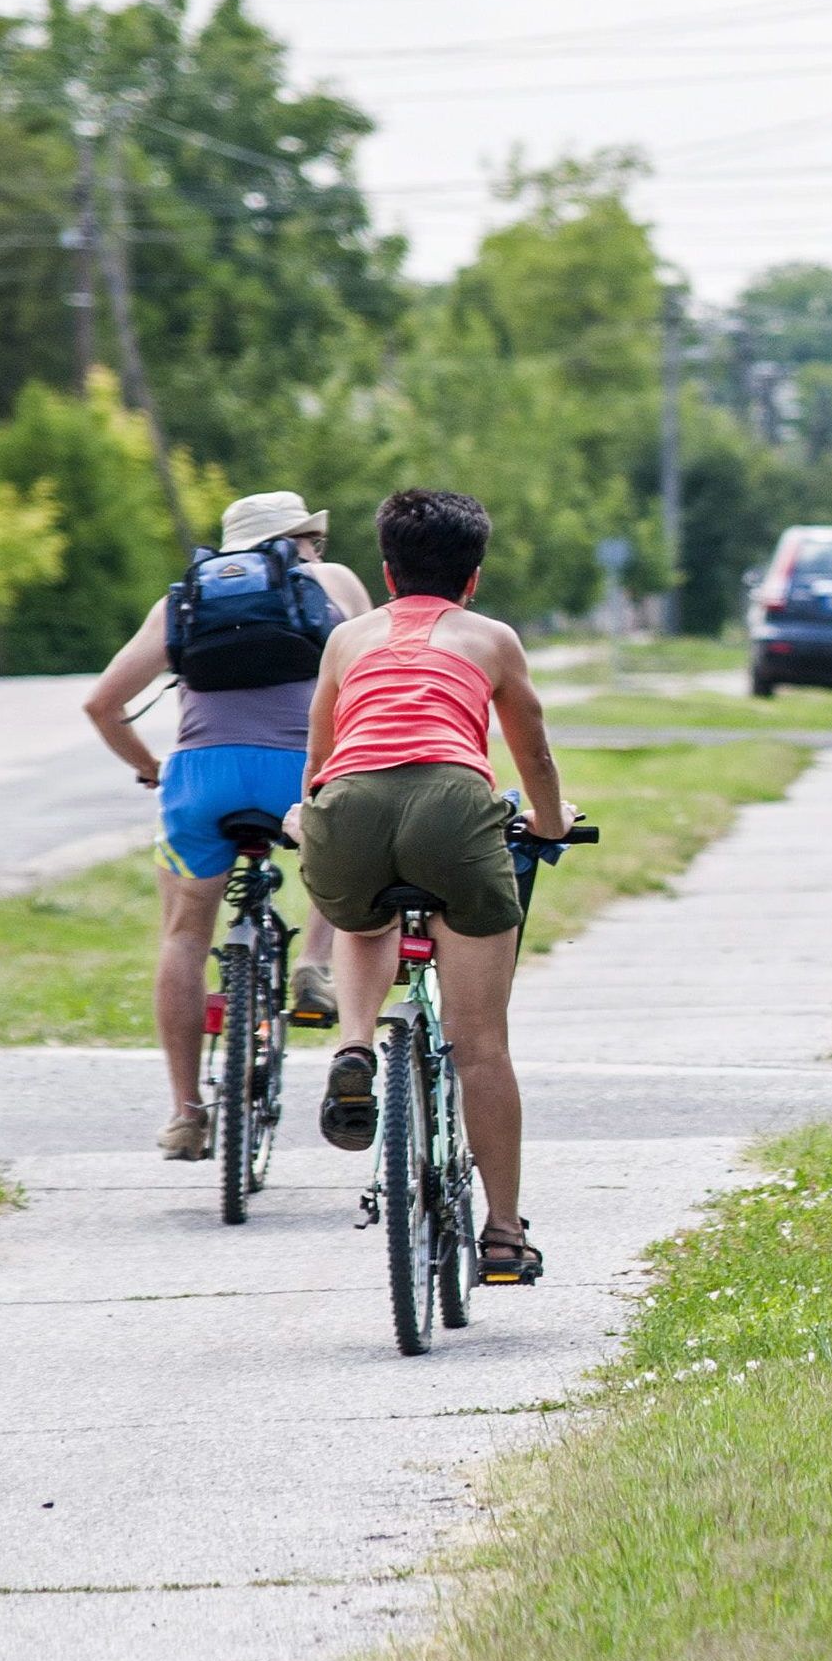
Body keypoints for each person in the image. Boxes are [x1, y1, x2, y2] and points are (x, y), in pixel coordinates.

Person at [292, 488, 570, 1287]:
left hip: (349, 805)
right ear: (473, 578)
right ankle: (505, 1235)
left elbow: (320, 758)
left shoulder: (348, 638)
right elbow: (535, 757)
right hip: (453, 802)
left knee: (360, 912)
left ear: (386, 571)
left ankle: (353, 1042)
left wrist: (310, 814)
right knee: (481, 1043)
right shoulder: (492, 639)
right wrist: (549, 822)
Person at [83, 491, 372, 1162]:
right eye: (315, 539)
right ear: (302, 539)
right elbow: (372, 677)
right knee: (344, 856)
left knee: (184, 934)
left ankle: (187, 1114)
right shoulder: (332, 583)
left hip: (201, 780)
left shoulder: (184, 598)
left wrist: (152, 768)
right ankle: (314, 965)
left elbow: (101, 703)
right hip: (300, 771)